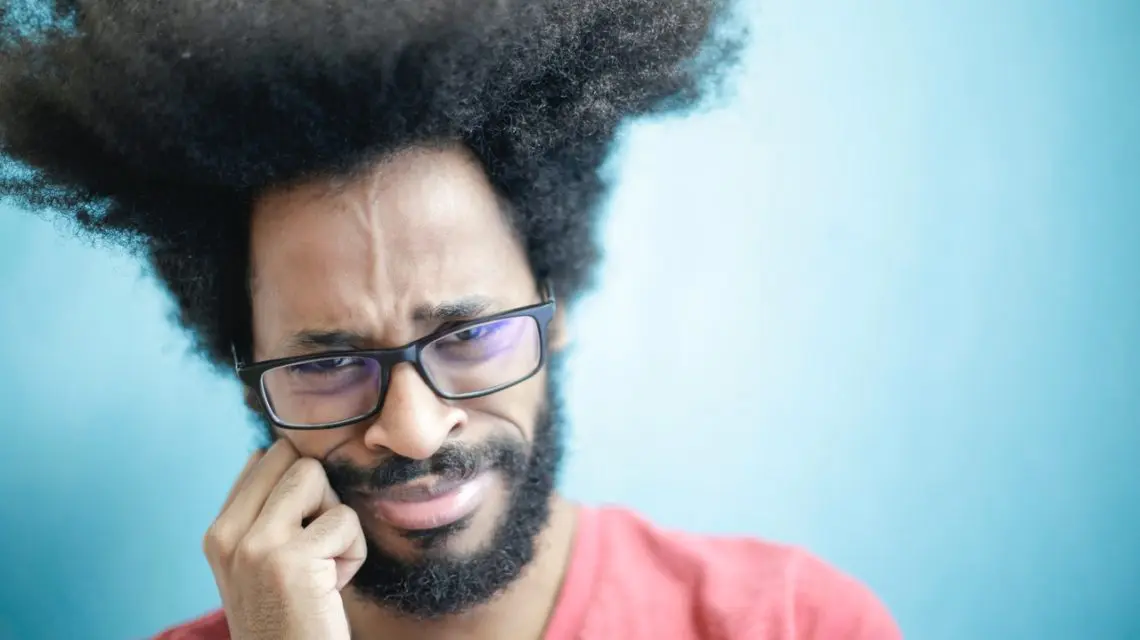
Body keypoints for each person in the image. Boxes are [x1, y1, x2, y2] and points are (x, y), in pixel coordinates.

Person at [0, 1, 901, 638]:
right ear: (247, 369)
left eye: (467, 337)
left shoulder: (794, 624)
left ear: (562, 303)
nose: (413, 428)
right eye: (327, 363)